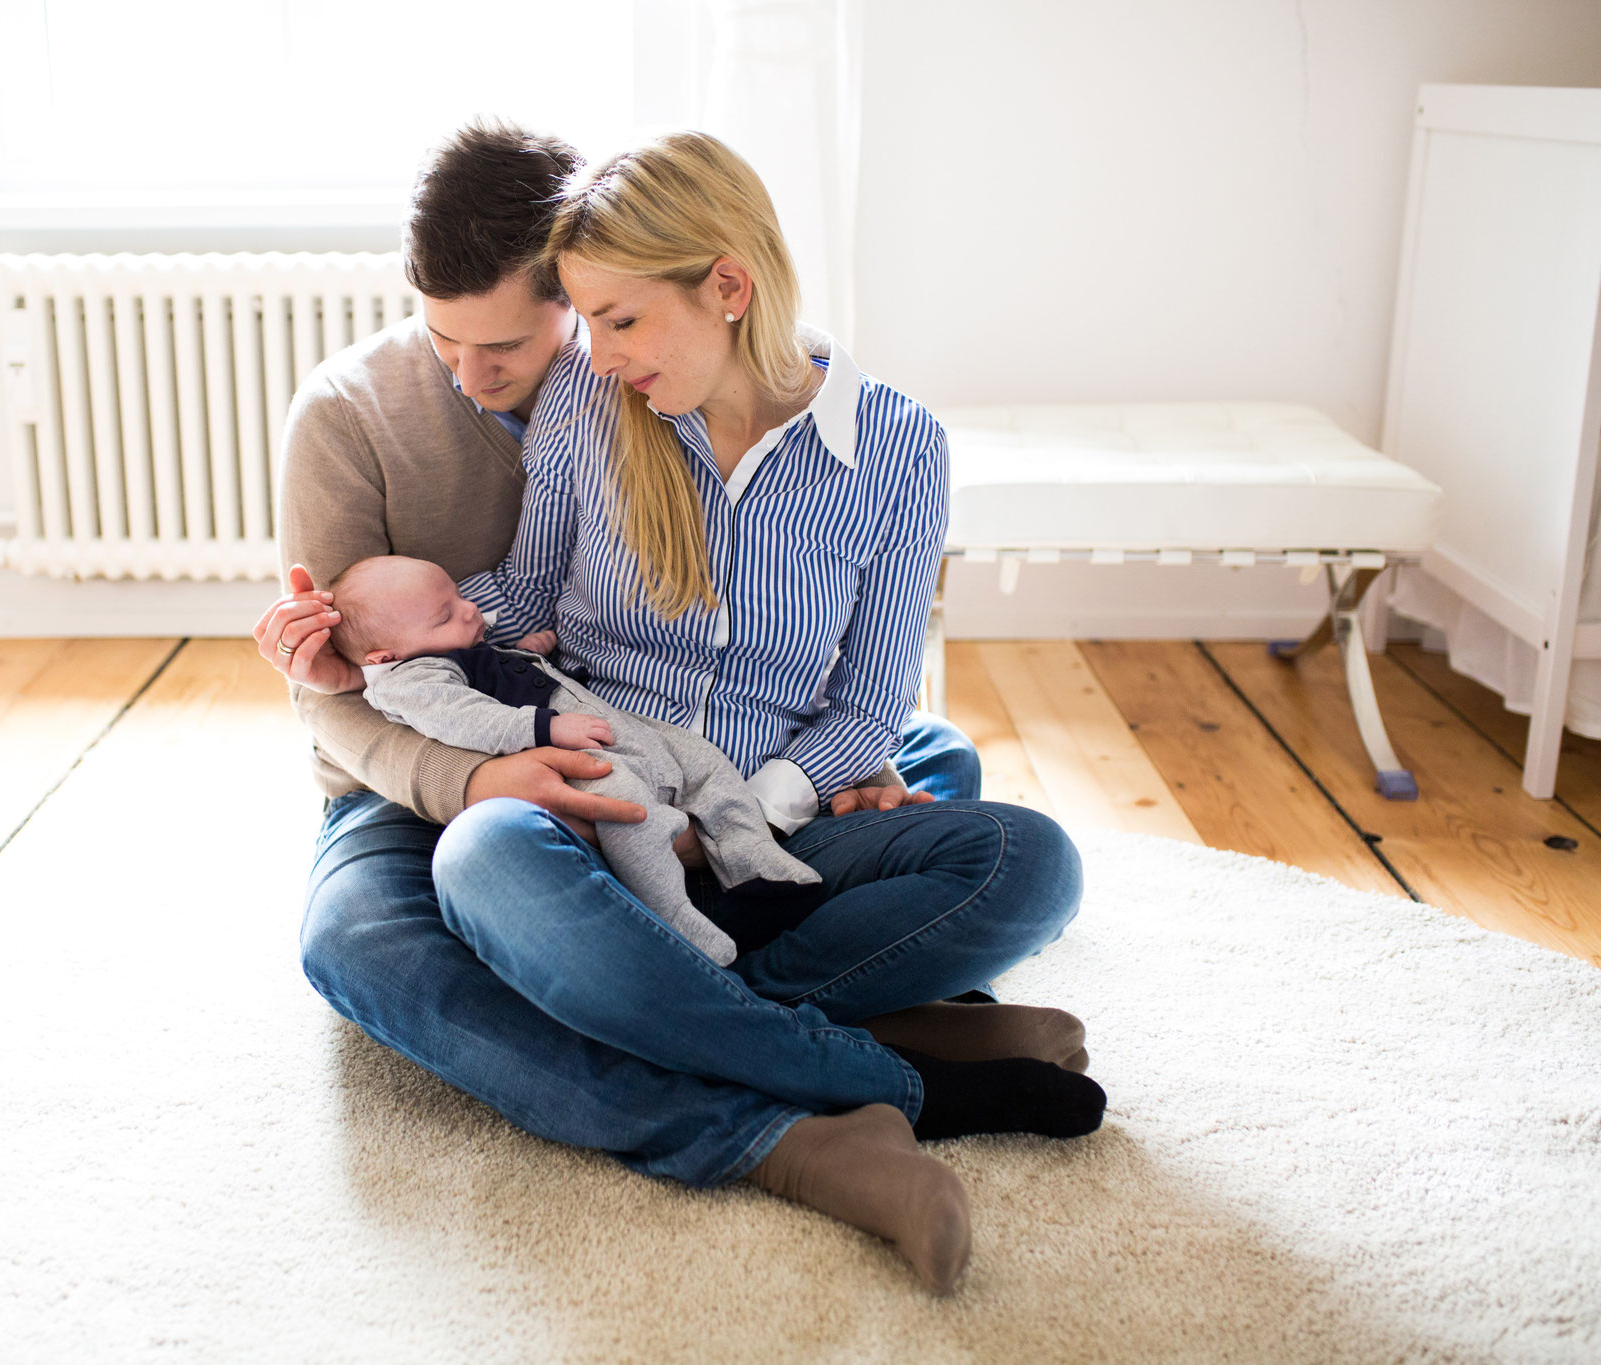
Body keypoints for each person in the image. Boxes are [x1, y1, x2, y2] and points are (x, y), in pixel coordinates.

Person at [260, 121, 1094, 1296]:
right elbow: (469, 640)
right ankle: (860, 1091)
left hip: (726, 786)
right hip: (505, 774)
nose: (473, 372)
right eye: (440, 337)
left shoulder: (858, 440)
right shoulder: (417, 414)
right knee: (416, 908)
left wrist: (764, 801)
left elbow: (869, 700)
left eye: (520, 338)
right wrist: (371, 674)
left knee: (1011, 840)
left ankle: (627, 995)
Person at [329, 553, 821, 965]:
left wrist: (526, 652)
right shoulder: (408, 681)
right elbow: (466, 718)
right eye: (445, 615)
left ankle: (753, 856)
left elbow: (497, 674)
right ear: (382, 656)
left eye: (460, 596)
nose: (469, 610)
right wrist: (546, 727)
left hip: (609, 725)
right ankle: (673, 913)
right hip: (560, 754)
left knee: (705, 762)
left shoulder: (450, 650)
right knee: (628, 808)